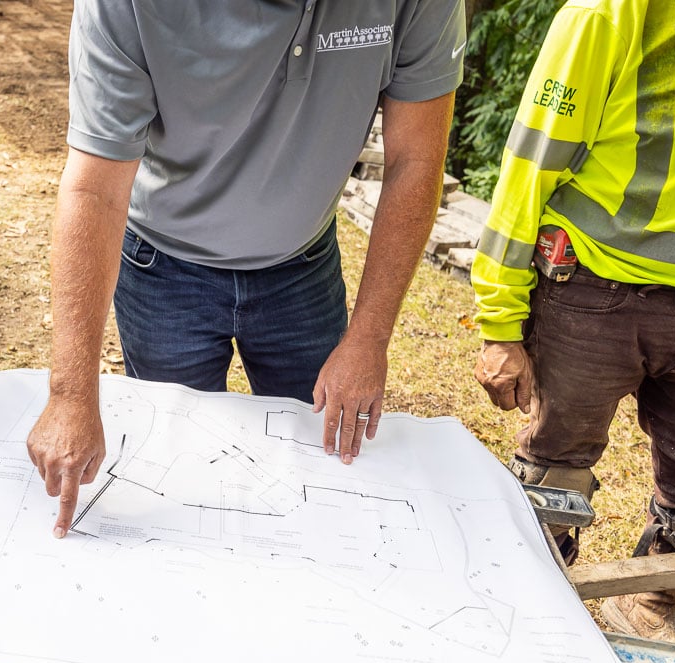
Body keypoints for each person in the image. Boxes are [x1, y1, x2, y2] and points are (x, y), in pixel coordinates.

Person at [25, 0, 467, 537]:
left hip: (301, 268)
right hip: (163, 268)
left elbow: (415, 160)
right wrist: (72, 393)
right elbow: (95, 188)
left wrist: (369, 337)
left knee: (324, 480)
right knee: (174, 476)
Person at [472, 0, 675, 663]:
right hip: (596, 287)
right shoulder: (611, 12)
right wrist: (500, 319)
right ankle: (529, 618)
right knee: (554, 472)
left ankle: (649, 604)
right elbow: (531, 158)